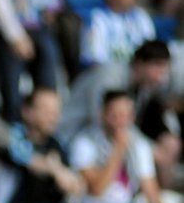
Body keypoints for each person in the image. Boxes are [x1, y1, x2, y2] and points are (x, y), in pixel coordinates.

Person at [71, 90, 184, 203]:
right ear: (103, 115)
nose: (120, 121)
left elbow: (149, 184)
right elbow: (97, 190)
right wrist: (118, 150)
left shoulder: (139, 143)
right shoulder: (85, 142)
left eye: (125, 115)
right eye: (115, 115)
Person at [3, 89, 108, 203]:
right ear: (28, 112)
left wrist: (72, 183)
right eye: (46, 111)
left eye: (56, 112)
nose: (53, 117)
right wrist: (54, 169)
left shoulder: (56, 144)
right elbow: (26, 158)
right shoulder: (14, 136)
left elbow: (74, 181)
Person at [59, 41, 181, 189]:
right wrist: (152, 149)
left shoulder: (144, 87)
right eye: (157, 68)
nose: (160, 77)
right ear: (140, 63)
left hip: (100, 138)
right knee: (140, 149)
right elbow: (108, 121)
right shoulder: (109, 77)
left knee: (168, 143)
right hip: (71, 137)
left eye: (163, 71)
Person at [81, 0, 155, 66]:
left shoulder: (141, 16)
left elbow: (151, 52)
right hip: (105, 72)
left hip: (136, 72)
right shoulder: (96, 18)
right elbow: (95, 59)